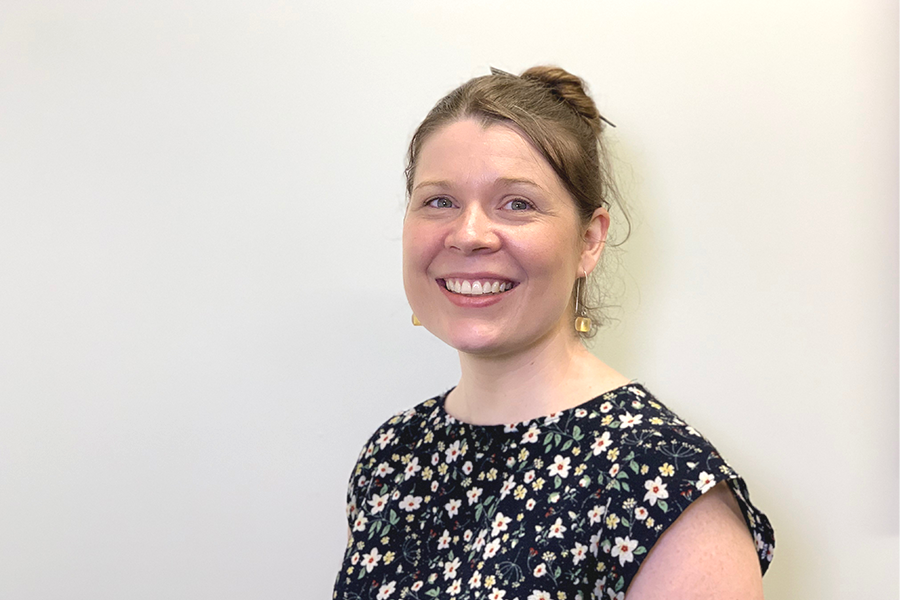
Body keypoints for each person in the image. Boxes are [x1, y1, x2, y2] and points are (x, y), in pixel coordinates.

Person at [332, 66, 774, 600]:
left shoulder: (664, 488)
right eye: (439, 201)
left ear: (589, 240)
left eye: (517, 203)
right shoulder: (393, 455)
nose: (469, 234)